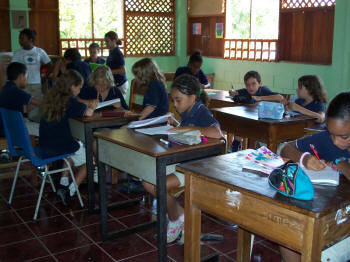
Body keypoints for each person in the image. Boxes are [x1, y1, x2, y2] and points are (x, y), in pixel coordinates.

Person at [142, 74, 222, 243]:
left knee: (160, 184)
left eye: (178, 100)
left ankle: (175, 218)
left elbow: (217, 133)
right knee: (147, 181)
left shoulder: (201, 110)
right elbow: (190, 134)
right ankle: (178, 213)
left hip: (199, 167)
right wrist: (178, 126)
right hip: (185, 162)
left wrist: (184, 128)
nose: (175, 104)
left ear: (193, 97)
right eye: (174, 100)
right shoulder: (188, 111)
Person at [279, 91, 350, 262]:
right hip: (330, 214)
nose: (335, 142)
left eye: (344, 136)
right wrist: (305, 158)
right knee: (286, 230)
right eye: (331, 133)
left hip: (344, 226)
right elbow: (286, 148)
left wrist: (342, 164)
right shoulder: (327, 139)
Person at [39, 70, 96, 206]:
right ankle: (70, 191)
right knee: (90, 162)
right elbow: (87, 114)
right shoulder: (72, 102)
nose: (80, 90)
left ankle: (62, 184)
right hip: (61, 145)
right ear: (71, 86)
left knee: (72, 151)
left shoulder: (51, 97)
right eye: (79, 87)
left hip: (46, 143)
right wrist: (92, 107)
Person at [229, 70, 284, 151]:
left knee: (244, 127)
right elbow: (236, 92)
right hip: (251, 119)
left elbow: (280, 97)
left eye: (253, 84)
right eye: (248, 85)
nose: (250, 87)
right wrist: (233, 92)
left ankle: (244, 148)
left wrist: (260, 98)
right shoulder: (246, 91)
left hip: (265, 122)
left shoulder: (263, 90)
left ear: (260, 83)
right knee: (239, 124)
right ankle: (235, 147)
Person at [0, 62, 41, 137]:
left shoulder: (6, 88)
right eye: (26, 77)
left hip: (6, 126)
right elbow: (40, 103)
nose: (26, 80)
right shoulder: (16, 91)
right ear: (21, 76)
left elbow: (18, 107)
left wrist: (32, 106)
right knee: (43, 129)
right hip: (12, 128)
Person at [11, 28, 51, 99]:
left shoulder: (39, 51)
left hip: (37, 84)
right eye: (19, 39)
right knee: (25, 105)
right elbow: (13, 68)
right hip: (23, 84)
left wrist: (45, 77)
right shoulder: (18, 53)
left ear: (30, 40)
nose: (20, 41)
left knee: (36, 106)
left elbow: (49, 65)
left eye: (22, 39)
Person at [105, 31, 128, 98]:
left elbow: (123, 70)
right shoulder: (111, 52)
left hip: (121, 84)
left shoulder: (118, 53)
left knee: (120, 106)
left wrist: (108, 71)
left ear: (114, 41)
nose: (106, 44)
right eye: (105, 42)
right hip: (115, 83)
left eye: (107, 41)